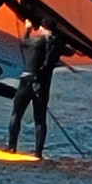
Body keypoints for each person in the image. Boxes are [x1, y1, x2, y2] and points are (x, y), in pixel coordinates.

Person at [8, 16, 75, 158]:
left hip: (27, 83)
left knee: (16, 114)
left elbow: (23, 42)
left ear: (44, 28)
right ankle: (38, 153)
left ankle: (11, 147)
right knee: (40, 120)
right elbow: (71, 51)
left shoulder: (35, 41)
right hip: (42, 86)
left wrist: (27, 29)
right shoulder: (58, 45)